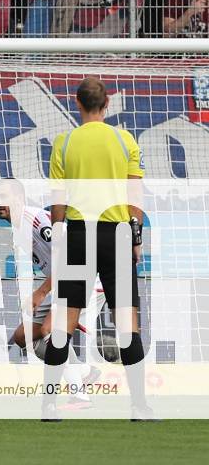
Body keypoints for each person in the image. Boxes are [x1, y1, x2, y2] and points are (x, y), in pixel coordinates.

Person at [47, 77, 152, 421]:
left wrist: (60, 231)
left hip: (77, 234)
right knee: (127, 323)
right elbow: (134, 193)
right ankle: (138, 406)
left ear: (77, 104)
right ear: (106, 105)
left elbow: (58, 199)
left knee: (64, 321)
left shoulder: (64, 143)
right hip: (115, 235)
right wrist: (136, 236)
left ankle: (49, 405)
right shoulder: (124, 141)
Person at [0, 179, 102, 410]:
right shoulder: (18, 228)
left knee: (48, 331)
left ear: (19, 199)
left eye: (3, 197)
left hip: (83, 278)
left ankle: (79, 396)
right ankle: (83, 371)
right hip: (63, 282)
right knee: (24, 337)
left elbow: (69, 258)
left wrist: (40, 293)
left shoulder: (37, 220)